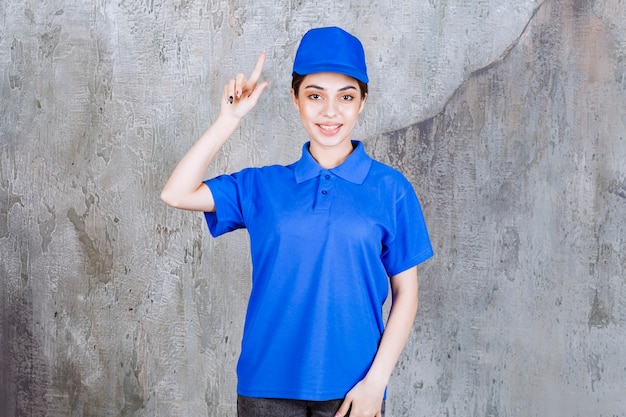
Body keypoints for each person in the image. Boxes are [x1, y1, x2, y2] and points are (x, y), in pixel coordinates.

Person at [161, 26, 433, 417]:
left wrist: (376, 384)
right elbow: (176, 193)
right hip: (265, 388)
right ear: (295, 99)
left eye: (346, 96)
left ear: (362, 103)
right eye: (315, 95)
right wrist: (229, 119)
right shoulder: (263, 185)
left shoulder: (391, 190)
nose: (330, 112)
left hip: (353, 391)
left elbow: (406, 294)